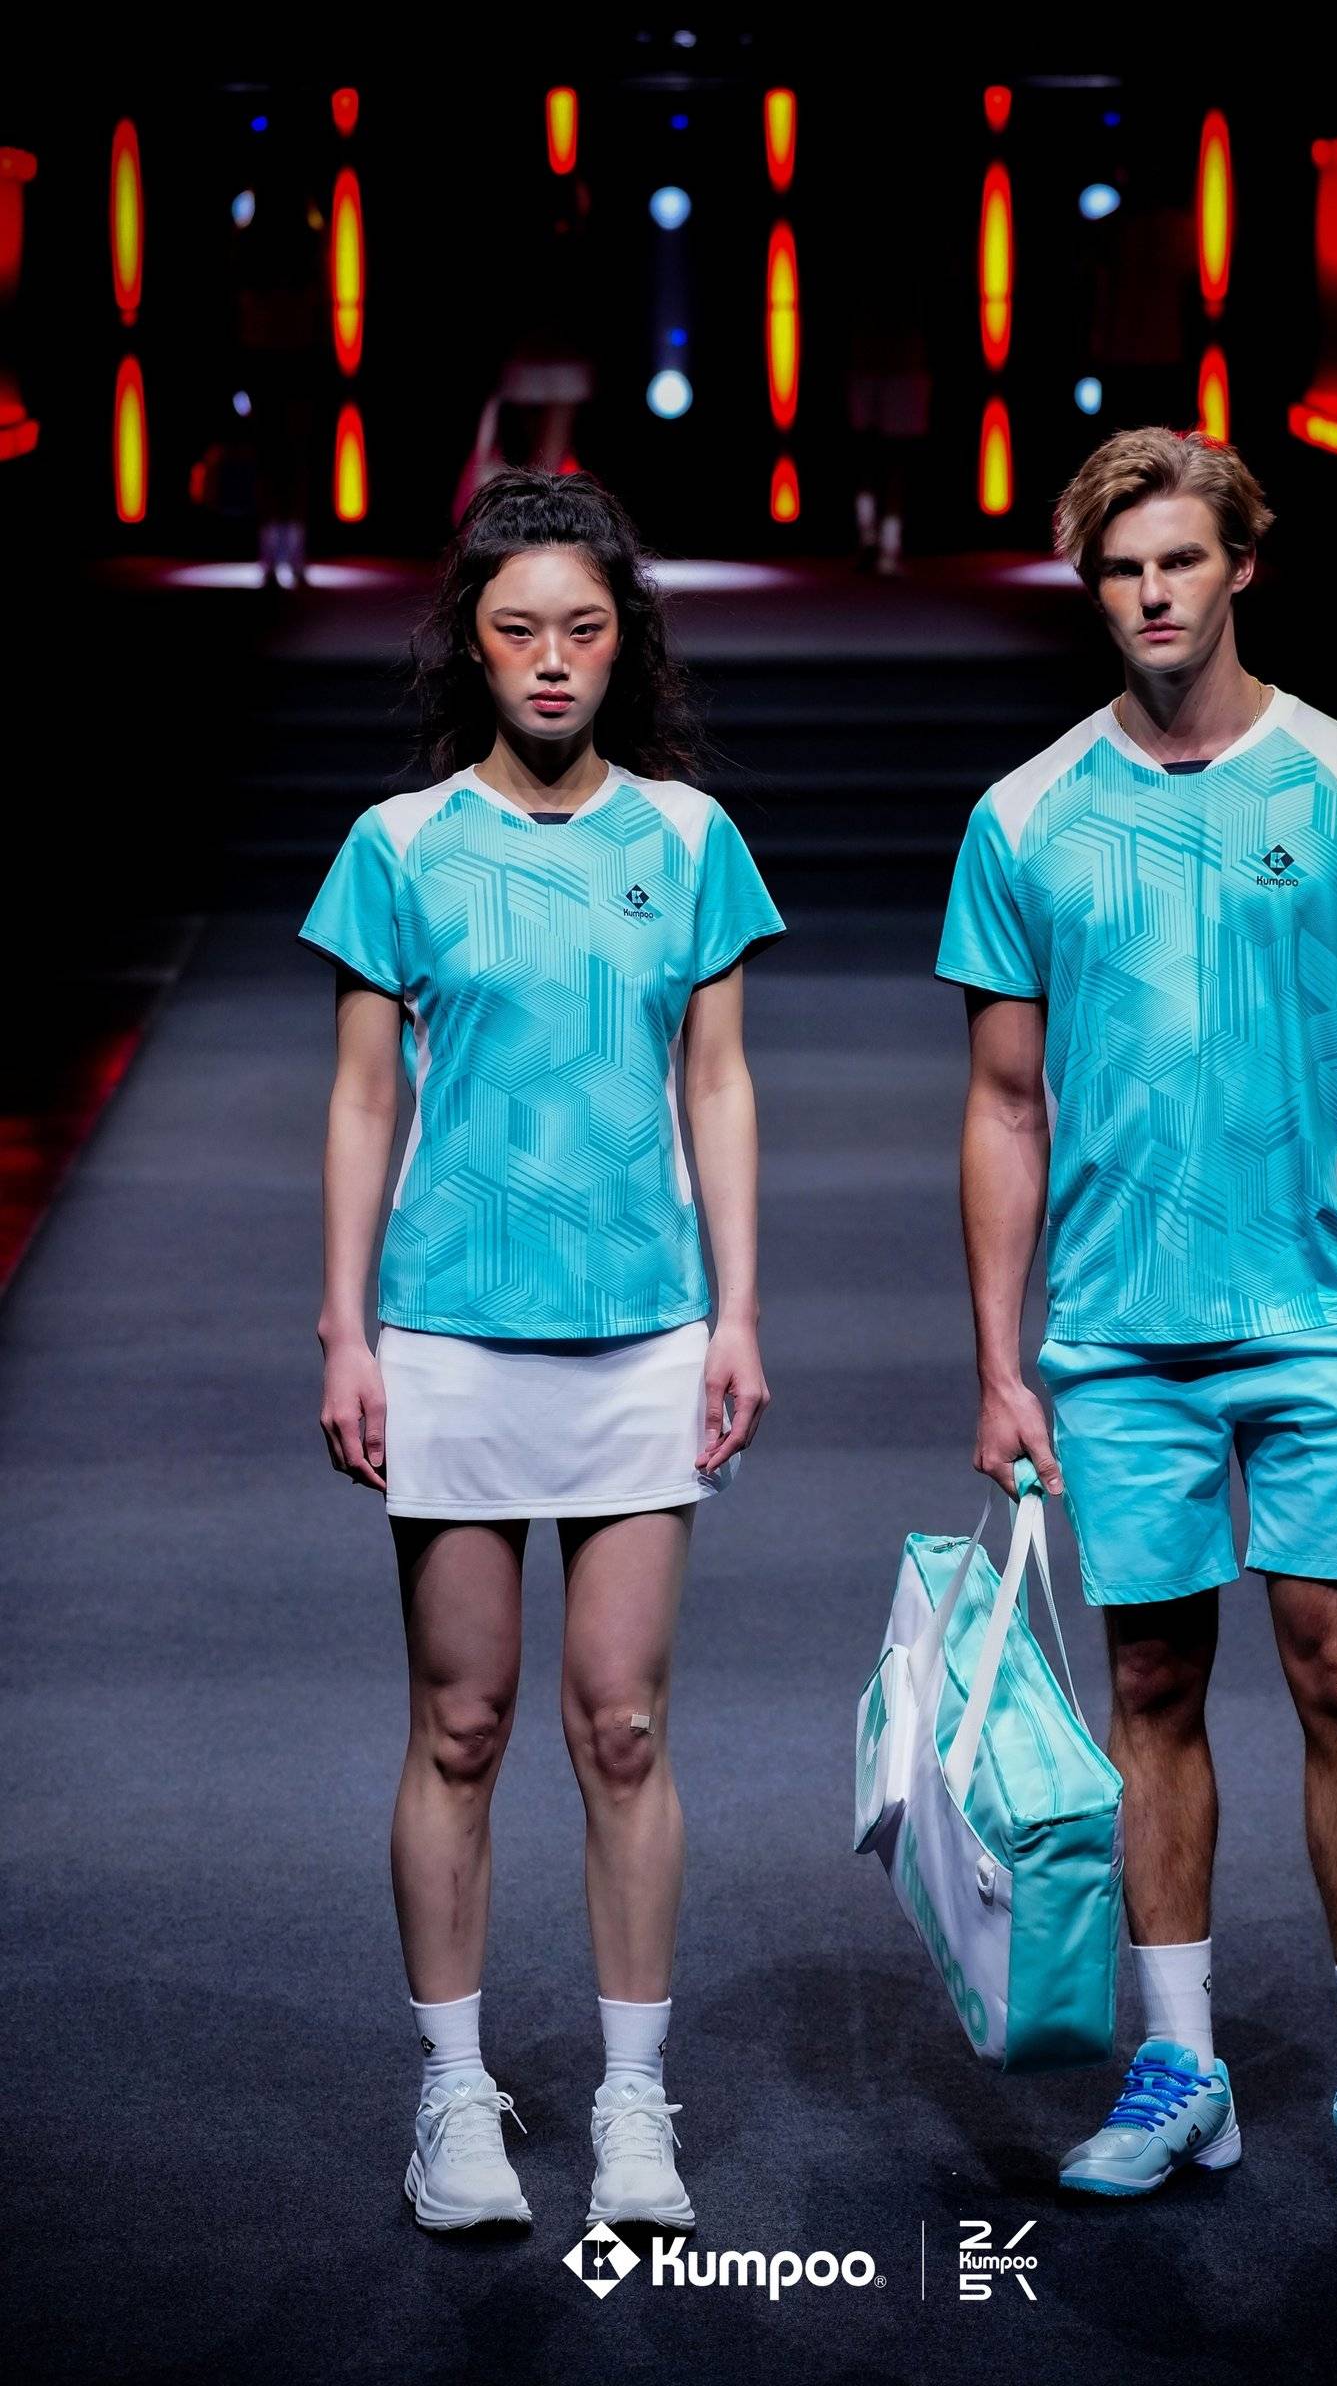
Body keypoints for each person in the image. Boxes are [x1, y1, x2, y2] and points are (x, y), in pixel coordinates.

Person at [933, 425, 1337, 2233]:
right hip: (1115, 1331)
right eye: (1120, 569)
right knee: (1152, 1685)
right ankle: (1182, 2070)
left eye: (1179, 559)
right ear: (1092, 589)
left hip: (1319, 1321)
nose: (1152, 594)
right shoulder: (1025, 816)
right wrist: (1002, 1361)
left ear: (1242, 564)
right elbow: (1002, 1102)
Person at [297, 468, 785, 2234]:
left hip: (644, 1330)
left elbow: (717, 1082)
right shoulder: (399, 845)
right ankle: (455, 2098)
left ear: (623, 642)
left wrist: (738, 1310)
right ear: (474, 648)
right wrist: (346, 1327)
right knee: (462, 1719)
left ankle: (636, 2105)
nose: (554, 659)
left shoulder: (691, 839)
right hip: (448, 1331)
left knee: (625, 1725)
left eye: (583, 627)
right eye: (520, 631)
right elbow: (363, 1100)